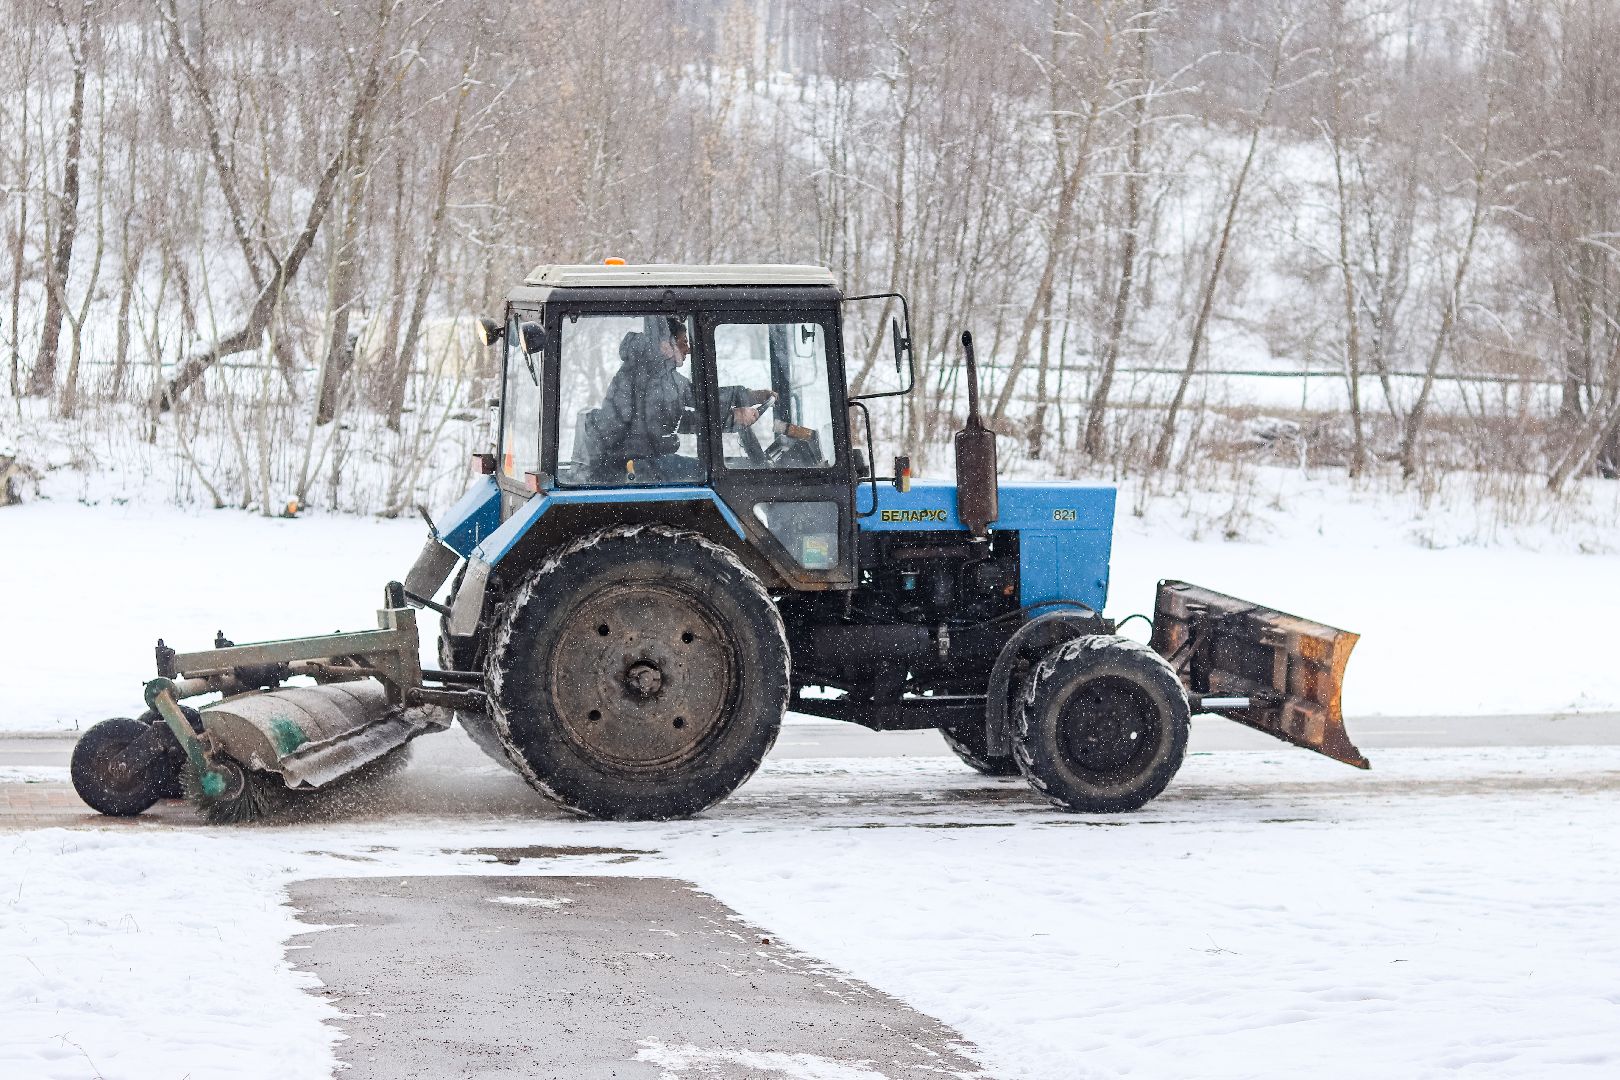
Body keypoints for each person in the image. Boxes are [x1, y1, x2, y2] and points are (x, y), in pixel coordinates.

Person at [578, 317, 772, 482]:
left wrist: (745, 401)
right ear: (666, 344)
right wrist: (734, 414)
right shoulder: (648, 376)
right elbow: (689, 413)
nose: (688, 349)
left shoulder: (661, 375)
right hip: (632, 465)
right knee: (710, 475)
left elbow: (693, 404)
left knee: (710, 471)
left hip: (641, 460)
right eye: (684, 341)